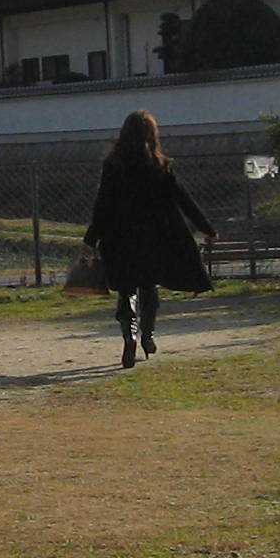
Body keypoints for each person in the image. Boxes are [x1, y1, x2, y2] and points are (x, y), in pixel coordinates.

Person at [81, 109, 218, 368]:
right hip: (153, 237)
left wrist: (91, 239)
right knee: (148, 286)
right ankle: (148, 335)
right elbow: (183, 199)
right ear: (151, 134)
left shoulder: (113, 166)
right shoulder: (159, 166)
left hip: (118, 237)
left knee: (125, 289)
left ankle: (129, 337)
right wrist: (207, 228)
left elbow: (103, 205)